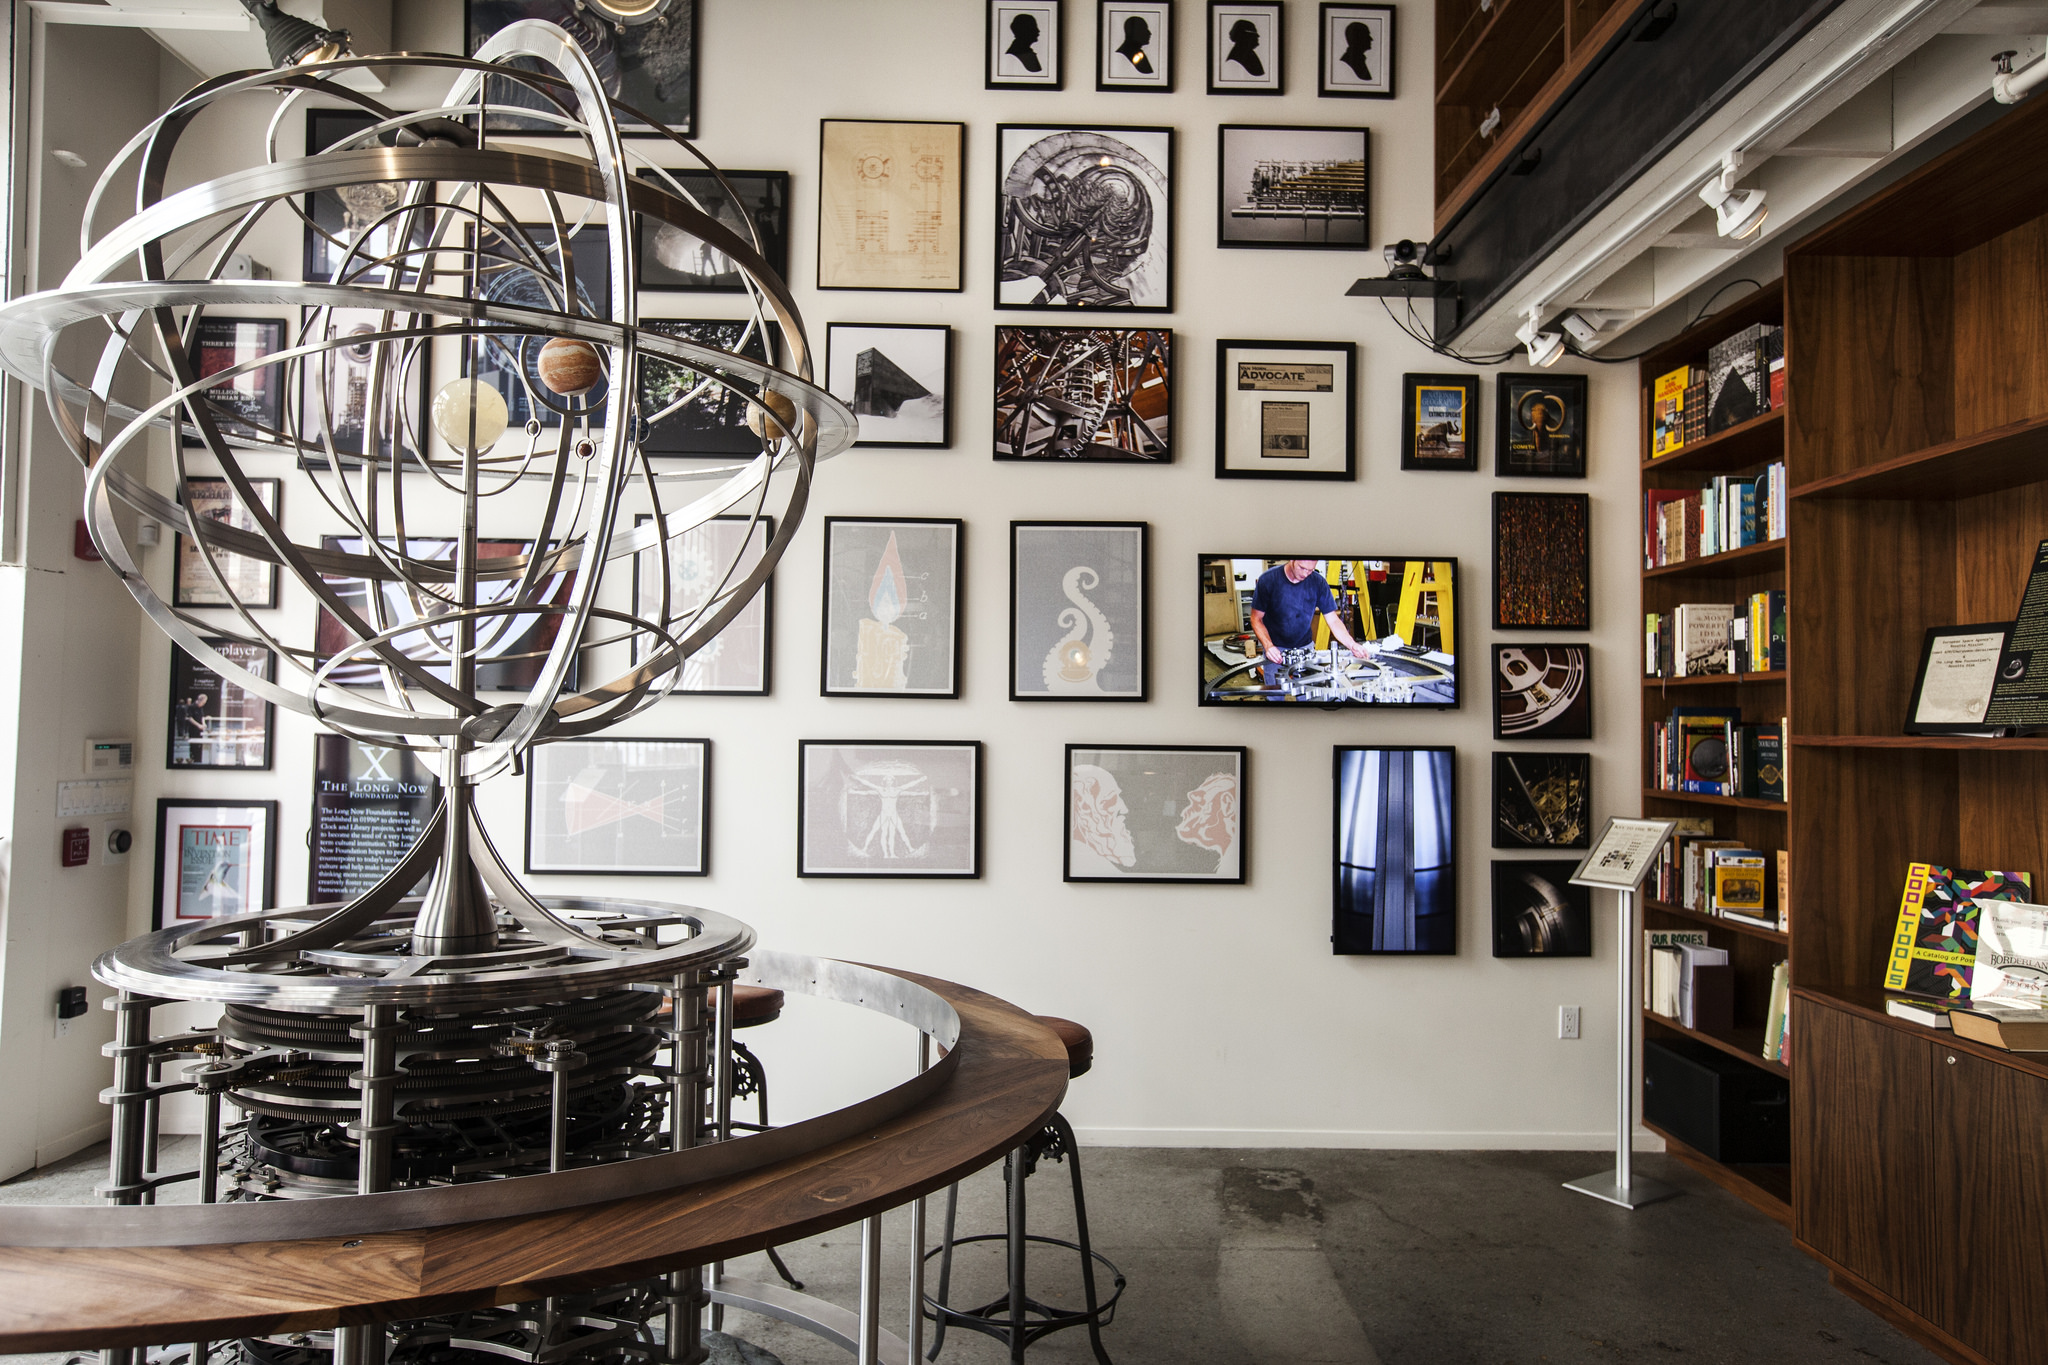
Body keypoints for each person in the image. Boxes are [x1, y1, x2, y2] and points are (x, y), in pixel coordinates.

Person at [1249, 559, 1370, 666]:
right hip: (1275, 650)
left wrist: (1352, 644)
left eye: (1310, 570)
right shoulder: (1268, 580)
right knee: (1275, 691)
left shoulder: (1318, 583)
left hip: (1305, 648)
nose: (1305, 574)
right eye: (1302, 568)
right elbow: (1256, 619)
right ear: (1292, 560)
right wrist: (1268, 646)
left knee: (1307, 690)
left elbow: (1333, 620)